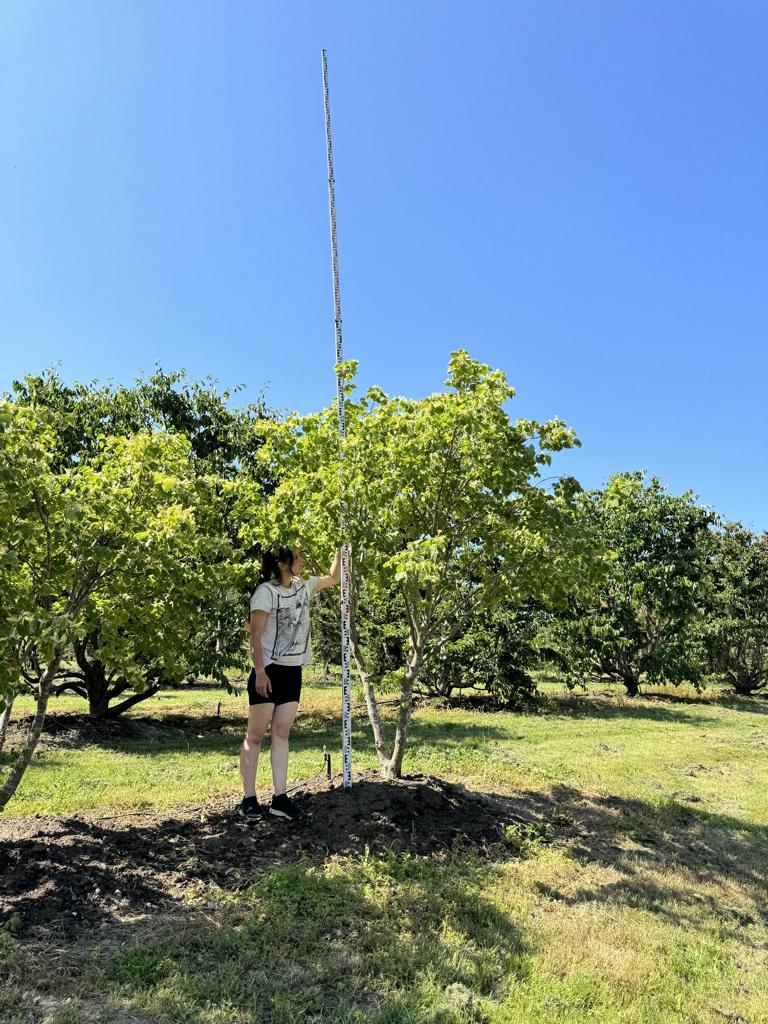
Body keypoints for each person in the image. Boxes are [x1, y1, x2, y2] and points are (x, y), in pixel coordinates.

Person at [239, 545, 341, 821]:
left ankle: (279, 798)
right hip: (268, 670)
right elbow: (255, 636)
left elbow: (333, 578)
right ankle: (249, 799)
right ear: (282, 564)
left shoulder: (303, 586)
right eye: (297, 557)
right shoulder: (265, 592)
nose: (303, 560)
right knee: (256, 735)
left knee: (282, 732)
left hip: (293, 671)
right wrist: (260, 672)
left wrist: (339, 548)